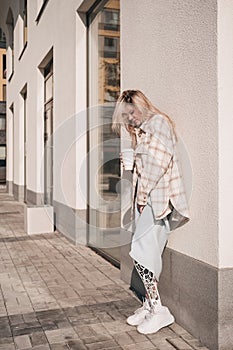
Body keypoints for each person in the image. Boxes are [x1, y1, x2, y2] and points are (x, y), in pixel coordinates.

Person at [112, 90, 190, 335]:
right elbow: (148, 164)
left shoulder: (157, 123)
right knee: (144, 253)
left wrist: (142, 196)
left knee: (142, 253)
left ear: (142, 105)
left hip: (156, 201)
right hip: (148, 201)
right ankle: (148, 304)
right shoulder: (145, 130)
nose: (130, 118)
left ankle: (159, 311)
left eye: (131, 112)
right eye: (126, 115)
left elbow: (157, 166)